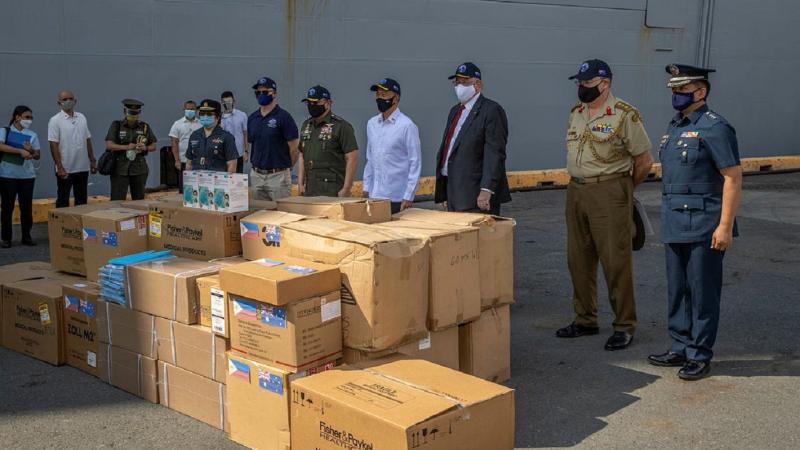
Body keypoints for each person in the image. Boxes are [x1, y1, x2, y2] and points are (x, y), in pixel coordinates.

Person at [647, 64, 742, 381]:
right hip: (675, 220)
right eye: (673, 89)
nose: (676, 94)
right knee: (678, 289)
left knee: (702, 291)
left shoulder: (716, 128)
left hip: (704, 222)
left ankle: (700, 354)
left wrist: (725, 225)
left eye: (682, 89)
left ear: (700, 92)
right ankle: (680, 346)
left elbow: (731, 177)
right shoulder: (675, 126)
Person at [556, 59, 654, 351]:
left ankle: (624, 326)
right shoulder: (576, 114)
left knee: (616, 262)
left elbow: (644, 161)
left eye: (586, 84)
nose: (581, 88)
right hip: (576, 191)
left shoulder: (625, 115)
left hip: (610, 192)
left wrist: (622, 190)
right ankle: (585, 319)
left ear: (605, 84)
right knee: (579, 260)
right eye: (579, 84)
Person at [434, 62, 510, 215]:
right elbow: (449, 149)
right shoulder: (455, 111)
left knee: (479, 238)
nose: (459, 86)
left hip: (475, 196)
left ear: (478, 85)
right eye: (457, 82)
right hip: (454, 192)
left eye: (464, 82)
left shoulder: (491, 111)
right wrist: (445, 191)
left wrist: (486, 189)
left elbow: (494, 153)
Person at [362, 78, 421, 214]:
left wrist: (409, 195)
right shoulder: (372, 124)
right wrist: (366, 187)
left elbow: (415, 161)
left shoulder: (407, 126)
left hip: (396, 197)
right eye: (378, 95)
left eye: (384, 95)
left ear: (396, 98)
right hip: (374, 195)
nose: (379, 98)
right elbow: (370, 158)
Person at [298, 85, 359, 197]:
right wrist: (300, 183)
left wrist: (346, 188)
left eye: (315, 103)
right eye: (309, 103)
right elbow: (302, 154)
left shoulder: (341, 126)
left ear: (328, 103)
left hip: (332, 191)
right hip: (310, 190)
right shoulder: (306, 125)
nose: (312, 106)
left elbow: (352, 157)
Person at [247, 76, 299, 200]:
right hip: (257, 175)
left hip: (278, 176)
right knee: (258, 215)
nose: (261, 94)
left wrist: (286, 168)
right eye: (258, 92)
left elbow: (294, 147)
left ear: (274, 93)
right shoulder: (253, 118)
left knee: (280, 213)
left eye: (265, 92)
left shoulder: (284, 117)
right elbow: (251, 142)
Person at [0, 106, 41, 247]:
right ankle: (6, 238)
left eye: (30, 118)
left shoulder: (32, 135)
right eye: (26, 117)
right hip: (7, 175)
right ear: (17, 117)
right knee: (7, 207)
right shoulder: (5, 131)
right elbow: (1, 146)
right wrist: (19, 151)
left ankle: (27, 236)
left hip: (27, 176)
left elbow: (37, 155)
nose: (29, 120)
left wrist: (31, 150)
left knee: (26, 208)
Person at [47, 90, 95, 208]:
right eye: (64, 99)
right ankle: (61, 226)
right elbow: (53, 144)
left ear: (75, 101)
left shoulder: (82, 117)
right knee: (63, 200)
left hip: (82, 167)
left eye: (70, 99)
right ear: (59, 103)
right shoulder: (55, 120)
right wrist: (60, 166)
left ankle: (79, 227)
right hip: (66, 168)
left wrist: (92, 160)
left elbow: (87, 139)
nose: (68, 101)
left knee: (82, 200)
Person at [104, 99, 157, 200]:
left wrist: (145, 147)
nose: (133, 115)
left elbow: (153, 146)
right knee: (117, 200)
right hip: (120, 169)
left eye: (136, 113)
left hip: (139, 169)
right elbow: (109, 145)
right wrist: (127, 147)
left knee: (139, 200)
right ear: (125, 111)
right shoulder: (117, 125)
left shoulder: (144, 127)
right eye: (131, 113)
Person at [185, 100, 239, 173]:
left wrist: (228, 183)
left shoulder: (226, 137)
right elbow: (189, 163)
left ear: (218, 116)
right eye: (202, 113)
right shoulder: (194, 135)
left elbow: (232, 164)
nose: (205, 116)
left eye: (209, 114)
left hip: (218, 182)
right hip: (196, 181)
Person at [168, 100, 201, 189]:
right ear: (184, 109)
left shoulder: (201, 124)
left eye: (192, 109)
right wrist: (177, 160)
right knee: (184, 187)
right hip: (183, 160)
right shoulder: (177, 124)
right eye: (188, 109)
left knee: (198, 186)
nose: (190, 111)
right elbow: (174, 143)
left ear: (196, 110)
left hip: (198, 161)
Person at [220, 91, 249, 173]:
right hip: (222, 155)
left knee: (237, 180)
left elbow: (245, 134)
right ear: (221, 102)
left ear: (234, 101)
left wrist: (246, 151)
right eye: (225, 102)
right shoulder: (218, 117)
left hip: (238, 153)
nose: (227, 104)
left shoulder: (242, 115)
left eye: (229, 101)